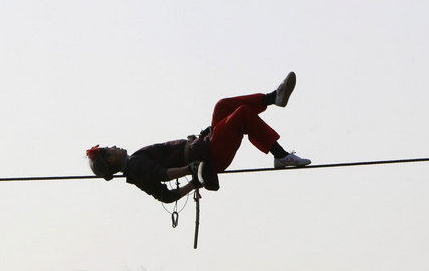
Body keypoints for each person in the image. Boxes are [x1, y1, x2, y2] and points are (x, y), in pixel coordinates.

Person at [86, 72, 310, 203]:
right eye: (110, 149)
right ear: (112, 160)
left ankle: (274, 97)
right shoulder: (136, 165)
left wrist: (194, 178)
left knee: (222, 106)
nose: (114, 147)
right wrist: (193, 175)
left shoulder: (135, 164)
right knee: (242, 115)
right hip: (211, 154)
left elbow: (165, 195)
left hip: (203, 146)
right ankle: (280, 156)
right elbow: (163, 179)